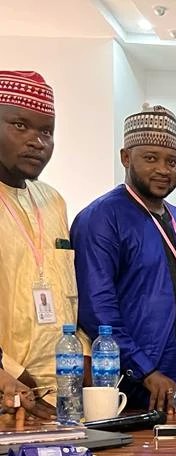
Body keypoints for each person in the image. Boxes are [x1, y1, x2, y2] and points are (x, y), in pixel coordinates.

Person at [72, 105, 176, 411]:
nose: (163, 169)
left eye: (171, 161)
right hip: (131, 384)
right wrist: (144, 369)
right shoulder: (101, 217)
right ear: (126, 157)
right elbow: (97, 308)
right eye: (150, 158)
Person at [0, 71, 83, 406]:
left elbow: (69, 293)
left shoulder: (53, 201)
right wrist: (8, 371)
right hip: (10, 393)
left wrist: (85, 357)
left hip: (60, 393)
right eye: (21, 126)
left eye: (46, 131)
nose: (37, 141)